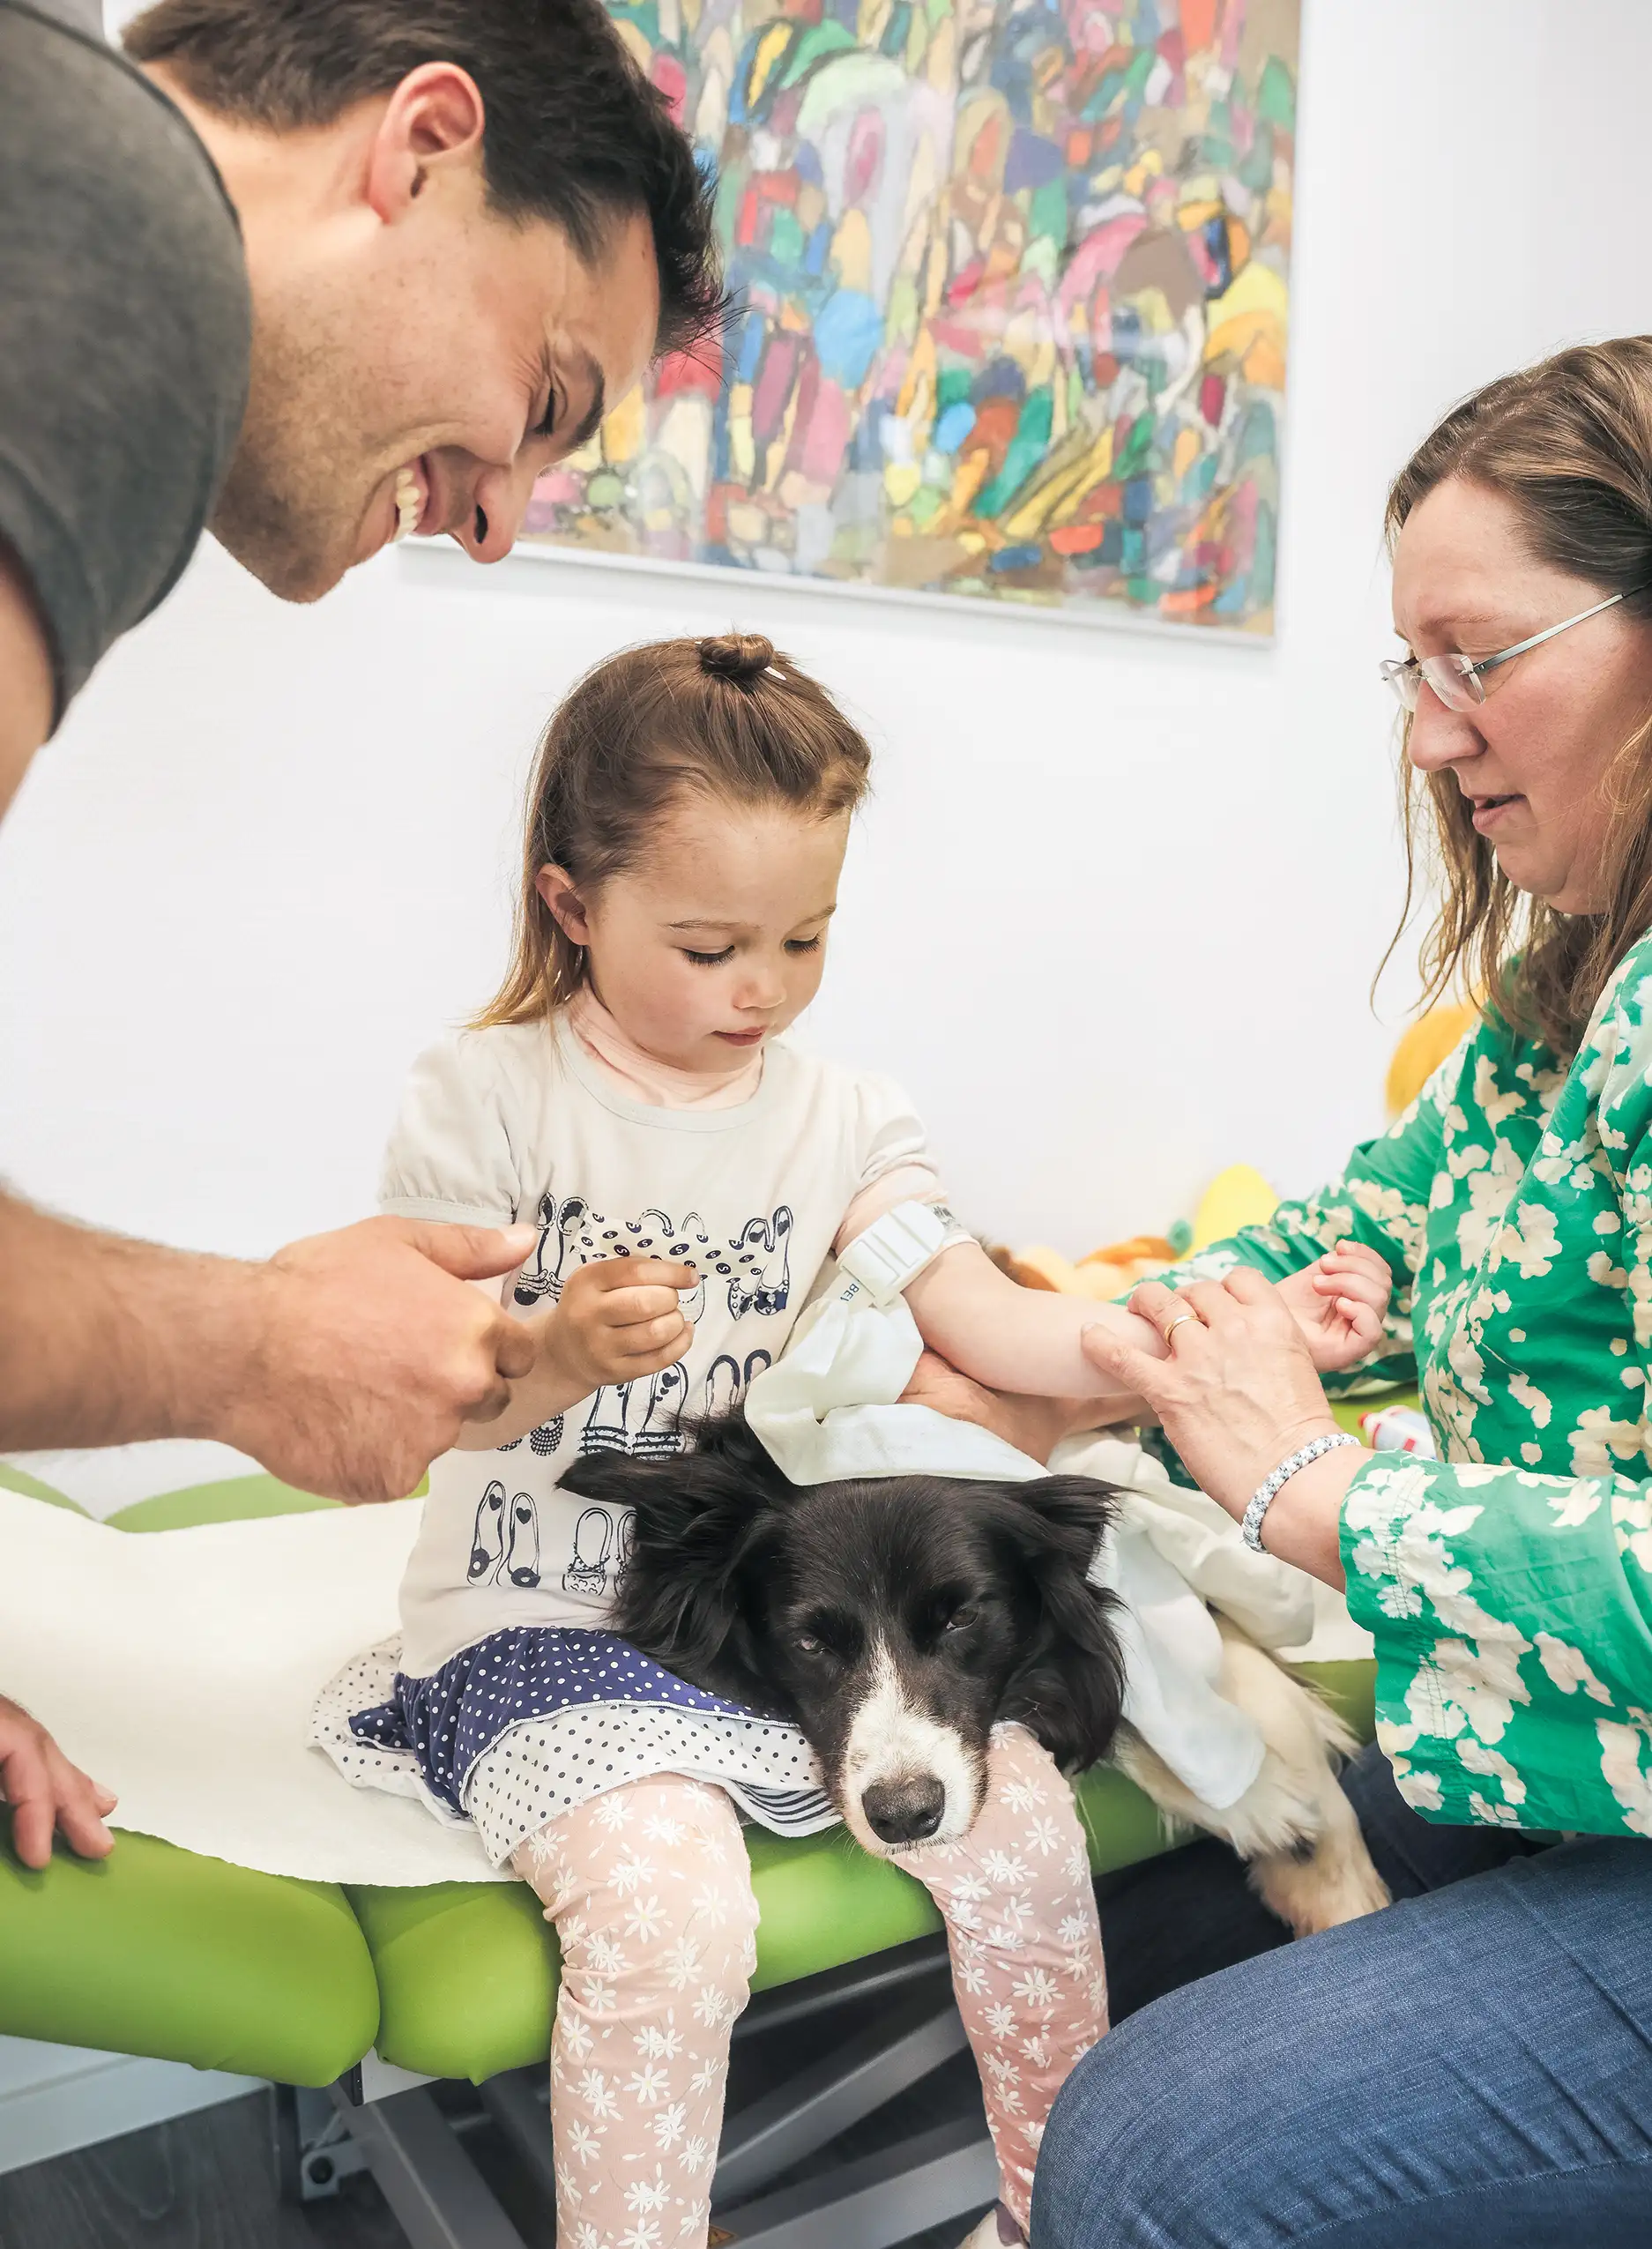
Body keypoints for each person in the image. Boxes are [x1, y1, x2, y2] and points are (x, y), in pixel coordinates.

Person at [308, 631, 1389, 2249]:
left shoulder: (841, 1118)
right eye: (708, 943)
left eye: (804, 938)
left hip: (769, 1624)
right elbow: (412, 1389)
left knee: (1019, 1839)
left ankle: (1048, 2216)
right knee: (670, 1915)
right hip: (538, 1623)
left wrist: (1172, 1339)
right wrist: (543, 1349)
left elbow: (982, 1313)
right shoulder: (490, 1098)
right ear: (569, 905)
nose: (762, 987)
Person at [0, 0, 723, 1864]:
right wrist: (248, 1349)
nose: (498, 518)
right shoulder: (108, 229)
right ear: (417, 145)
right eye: (547, 402)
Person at [1023, 336, 1652, 2245]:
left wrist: (1320, 1488)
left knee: (1152, 2147)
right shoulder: (1561, 999)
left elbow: (1324, 1467)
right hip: (1581, 1752)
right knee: (1106, 1934)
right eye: (1413, 668)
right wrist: (1071, 1350)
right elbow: (1349, 1221)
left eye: (1479, 659)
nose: (1426, 730)